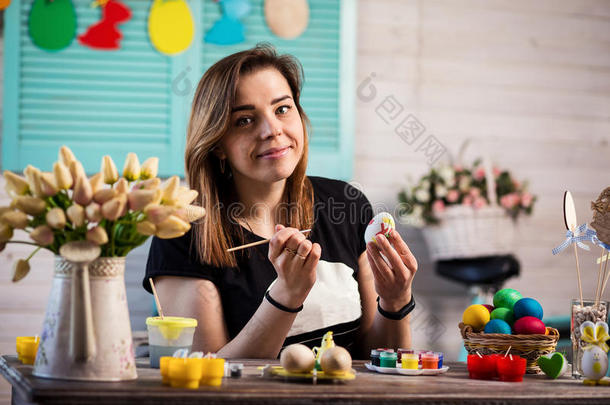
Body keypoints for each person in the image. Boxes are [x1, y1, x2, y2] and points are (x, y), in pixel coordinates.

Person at [143, 44, 418, 359]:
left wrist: (395, 303)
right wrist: (285, 297)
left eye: (282, 109)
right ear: (218, 144)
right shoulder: (181, 232)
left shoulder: (347, 203)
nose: (272, 130)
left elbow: (376, 357)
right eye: (245, 120)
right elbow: (207, 382)